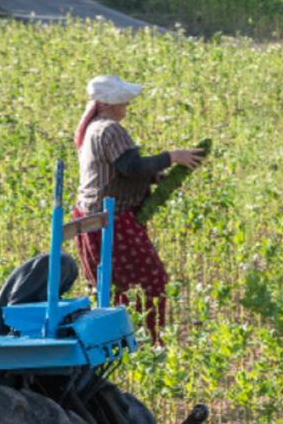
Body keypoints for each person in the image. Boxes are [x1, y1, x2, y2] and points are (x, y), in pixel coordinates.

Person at [73, 75, 204, 344]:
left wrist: (155, 178)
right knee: (149, 280)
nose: (128, 106)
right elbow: (131, 166)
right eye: (125, 102)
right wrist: (172, 157)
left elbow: (118, 171)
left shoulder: (96, 127)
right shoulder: (108, 129)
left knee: (115, 285)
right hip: (110, 220)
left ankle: (123, 338)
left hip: (96, 216)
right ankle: (147, 339)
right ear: (111, 103)